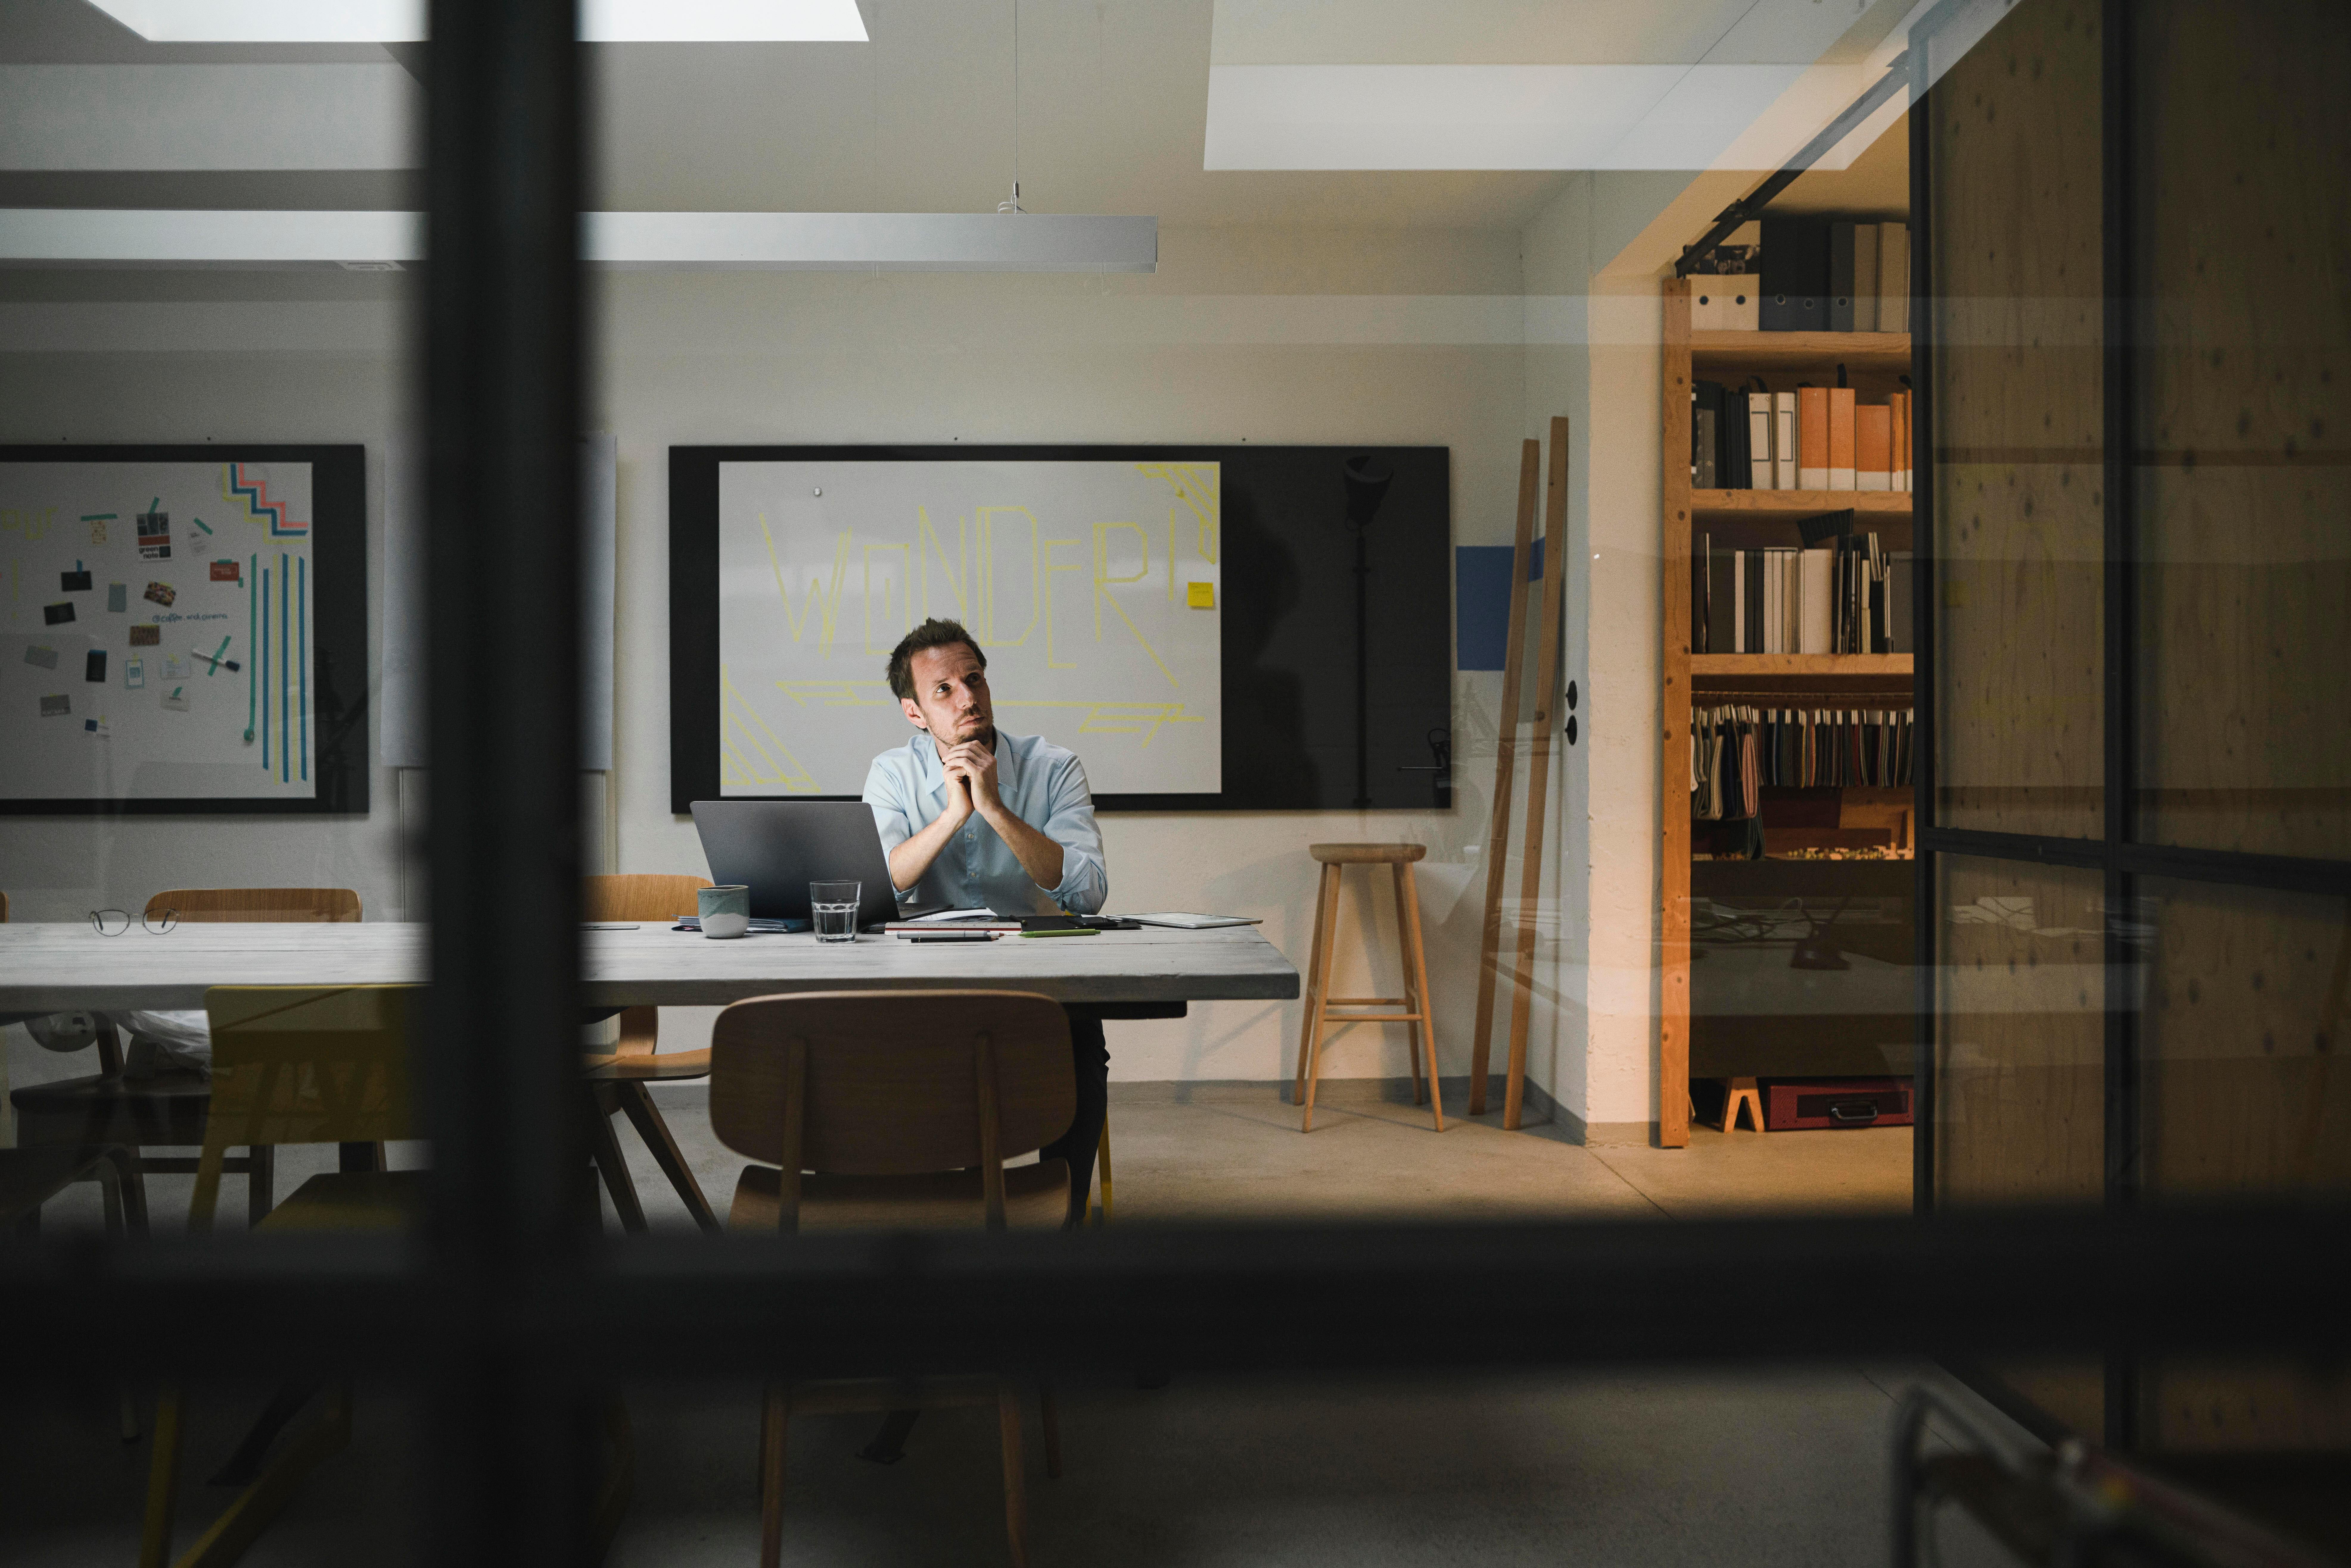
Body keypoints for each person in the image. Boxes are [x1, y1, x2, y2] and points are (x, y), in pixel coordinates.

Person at [862, 617, 1109, 1227]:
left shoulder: (1054, 766)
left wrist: (994, 807)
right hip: (923, 972)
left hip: (1035, 970)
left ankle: (1067, 1222)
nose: (967, 696)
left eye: (973, 679)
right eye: (943, 689)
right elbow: (883, 883)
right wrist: (953, 815)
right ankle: (912, 1216)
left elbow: (1089, 891)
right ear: (914, 712)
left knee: (1081, 1041)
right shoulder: (892, 773)